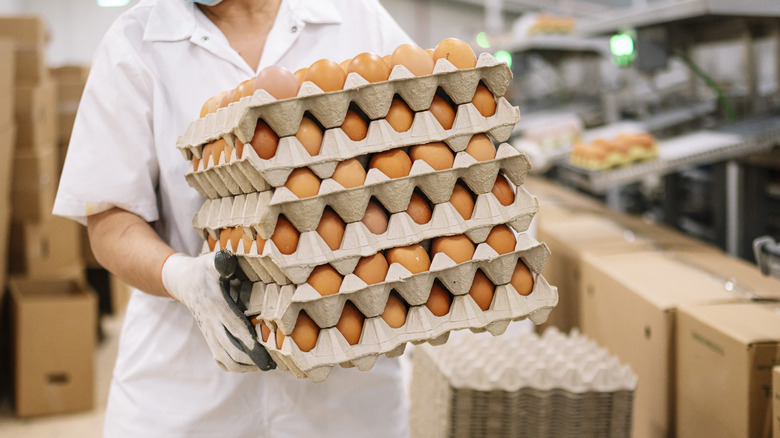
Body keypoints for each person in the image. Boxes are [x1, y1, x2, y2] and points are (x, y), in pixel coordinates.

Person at [53, 0, 414, 436]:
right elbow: (109, 218)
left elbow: (418, 164)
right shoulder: (135, 42)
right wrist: (182, 278)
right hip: (186, 388)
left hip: (345, 392)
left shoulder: (359, 21)